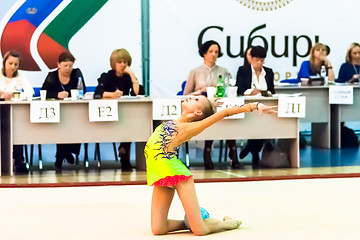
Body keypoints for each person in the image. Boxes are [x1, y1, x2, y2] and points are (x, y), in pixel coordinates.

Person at [145, 95, 277, 235]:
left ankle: (225, 224)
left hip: (177, 175)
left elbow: (224, 113)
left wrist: (254, 106)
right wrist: (209, 103)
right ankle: (190, 222)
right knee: (158, 229)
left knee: (200, 231)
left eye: (196, 100)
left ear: (198, 113)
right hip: (162, 175)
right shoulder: (174, 122)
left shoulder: (189, 127)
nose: (190, 97)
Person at [183, 40, 240, 169]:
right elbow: (186, 94)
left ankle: (233, 149)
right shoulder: (195, 72)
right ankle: (207, 150)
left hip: (220, 105)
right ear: (204, 53)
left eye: (216, 52)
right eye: (211, 51)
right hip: (203, 107)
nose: (214, 55)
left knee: (228, 117)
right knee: (210, 116)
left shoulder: (223, 71)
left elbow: (227, 89)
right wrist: (201, 91)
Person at [94, 48, 140, 171]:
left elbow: (138, 93)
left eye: (125, 62)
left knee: (131, 125)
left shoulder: (127, 77)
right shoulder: (107, 76)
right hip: (107, 112)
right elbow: (98, 93)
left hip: (124, 113)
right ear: (114, 63)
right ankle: (124, 155)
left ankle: (125, 158)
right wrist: (112, 95)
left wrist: (131, 74)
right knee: (125, 126)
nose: (123, 65)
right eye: (119, 62)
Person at [41, 51, 86, 169]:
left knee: (77, 124)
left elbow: (83, 91)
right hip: (56, 112)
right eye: (65, 65)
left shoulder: (77, 74)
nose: (68, 68)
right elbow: (44, 93)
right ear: (58, 64)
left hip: (74, 112)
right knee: (60, 126)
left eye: (70, 66)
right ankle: (64, 153)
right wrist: (57, 95)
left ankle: (62, 155)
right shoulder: (52, 76)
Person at [235, 45, 275, 168]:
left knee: (266, 123)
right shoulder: (243, 70)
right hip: (249, 106)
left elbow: (272, 90)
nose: (259, 63)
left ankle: (251, 147)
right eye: (257, 60)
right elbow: (239, 89)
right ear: (251, 59)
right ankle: (254, 150)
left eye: (262, 60)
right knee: (254, 123)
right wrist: (250, 92)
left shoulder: (268, 72)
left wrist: (266, 93)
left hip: (264, 105)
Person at [1, 50, 34, 174]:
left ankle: (18, 161)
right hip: (1, 113)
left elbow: (30, 93)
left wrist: (14, 95)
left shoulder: (21, 76)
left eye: (16, 64)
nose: (13, 67)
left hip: (15, 115)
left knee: (18, 130)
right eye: (10, 63)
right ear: (4, 63)